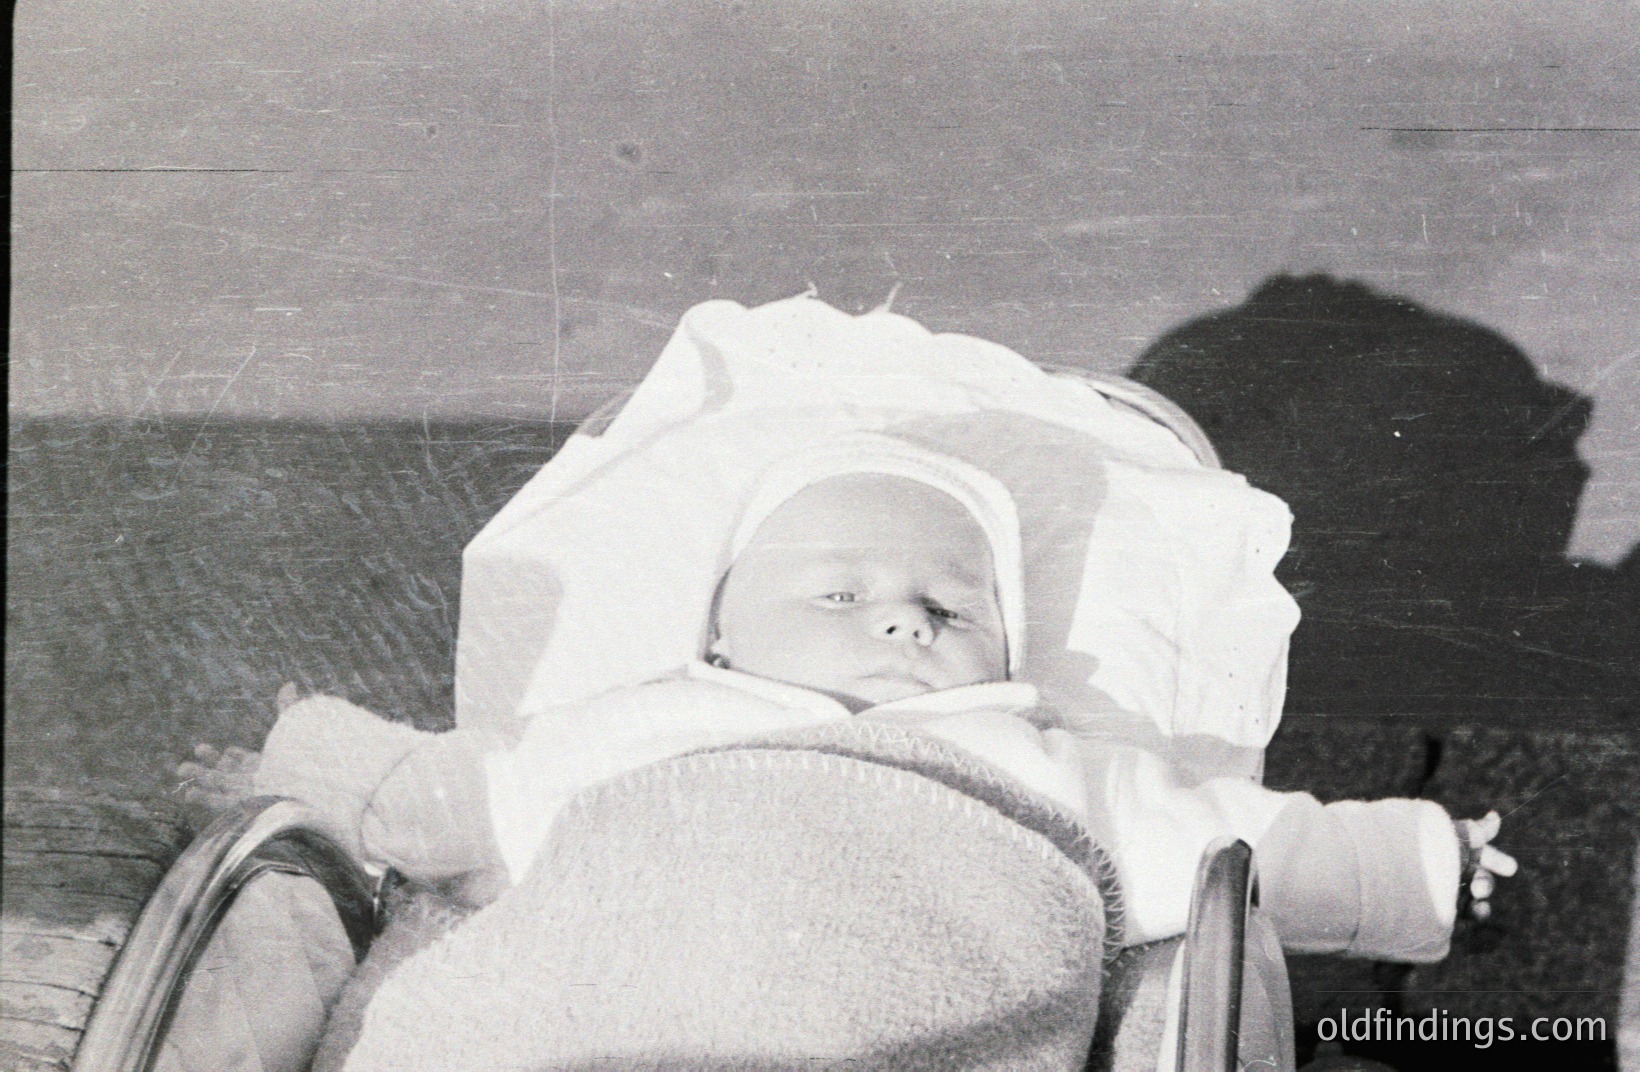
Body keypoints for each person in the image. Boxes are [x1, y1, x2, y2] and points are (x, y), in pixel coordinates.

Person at [181, 433, 1515, 958]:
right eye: (838, 595)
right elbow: (452, 798)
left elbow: (1252, 850)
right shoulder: (654, 720)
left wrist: (1419, 862)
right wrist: (307, 754)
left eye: (951, 603)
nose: (898, 614)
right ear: (719, 624)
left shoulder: (1043, 763)